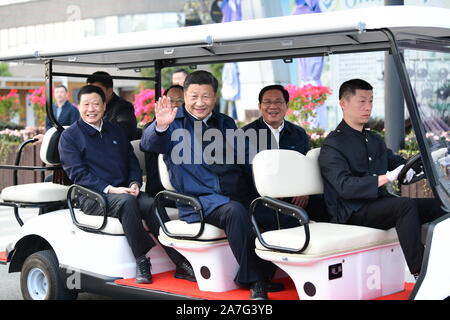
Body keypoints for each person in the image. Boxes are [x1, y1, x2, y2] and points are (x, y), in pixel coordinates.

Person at [140, 70, 284, 300]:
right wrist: (160, 125)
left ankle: (265, 274)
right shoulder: (172, 124)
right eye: (194, 96)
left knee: (279, 212)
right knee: (236, 213)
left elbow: (247, 156)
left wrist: (268, 185)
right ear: (185, 96)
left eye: (205, 96)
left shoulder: (224, 122)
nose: (200, 103)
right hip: (201, 200)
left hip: (236, 192)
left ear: (214, 98)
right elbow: (149, 143)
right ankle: (255, 281)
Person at [58, 85, 195, 284]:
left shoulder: (116, 131)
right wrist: (111, 189)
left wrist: (134, 182)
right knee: (127, 203)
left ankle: (179, 261)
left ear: (104, 106)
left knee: (151, 203)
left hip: (124, 190)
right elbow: (78, 174)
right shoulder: (70, 137)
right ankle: (141, 260)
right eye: (86, 104)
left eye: (96, 104)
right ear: (78, 107)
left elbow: (131, 160)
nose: (91, 109)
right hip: (92, 196)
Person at [318, 78, 445, 279]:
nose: (368, 107)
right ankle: (422, 274)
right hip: (351, 211)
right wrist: (385, 178)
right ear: (343, 103)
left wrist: (430, 161)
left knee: (440, 205)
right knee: (404, 206)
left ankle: (442, 265)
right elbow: (344, 187)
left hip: (379, 205)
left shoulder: (374, 139)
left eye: (371, 101)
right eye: (362, 101)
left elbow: (398, 163)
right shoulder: (333, 145)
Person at [243, 84, 329, 223]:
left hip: (295, 193)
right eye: (267, 102)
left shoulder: (298, 133)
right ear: (260, 106)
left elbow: (306, 166)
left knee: (325, 203)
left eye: (278, 102)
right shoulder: (245, 135)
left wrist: (304, 191)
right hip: (262, 196)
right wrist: (270, 191)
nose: (273, 106)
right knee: (285, 219)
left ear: (286, 106)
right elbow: (245, 172)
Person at [143, 85, 185, 198]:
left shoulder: (190, 126)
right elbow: (147, 144)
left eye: (180, 101)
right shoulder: (153, 128)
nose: (176, 104)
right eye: (171, 101)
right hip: (162, 192)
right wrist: (161, 126)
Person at [86, 71, 137, 141]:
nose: (92, 94)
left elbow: (125, 132)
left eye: (97, 91)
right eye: (89, 90)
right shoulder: (89, 108)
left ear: (109, 91)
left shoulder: (123, 107)